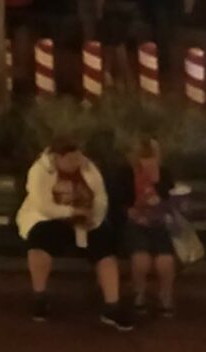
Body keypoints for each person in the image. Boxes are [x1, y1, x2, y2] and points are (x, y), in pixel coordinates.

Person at [15, 137, 124, 329]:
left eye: (78, 158)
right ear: (57, 157)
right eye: (71, 159)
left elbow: (100, 197)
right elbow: (43, 205)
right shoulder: (40, 170)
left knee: (105, 248)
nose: (76, 163)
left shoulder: (88, 168)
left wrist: (93, 217)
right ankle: (39, 298)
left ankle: (112, 306)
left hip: (86, 220)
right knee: (40, 242)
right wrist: (72, 212)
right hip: (50, 218)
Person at [113, 138, 178, 320]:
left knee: (164, 260)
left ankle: (165, 297)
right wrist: (129, 211)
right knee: (141, 258)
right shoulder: (125, 173)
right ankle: (139, 295)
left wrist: (156, 183)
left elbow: (171, 201)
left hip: (160, 224)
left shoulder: (164, 174)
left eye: (152, 156)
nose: (148, 161)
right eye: (144, 157)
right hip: (136, 224)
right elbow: (118, 202)